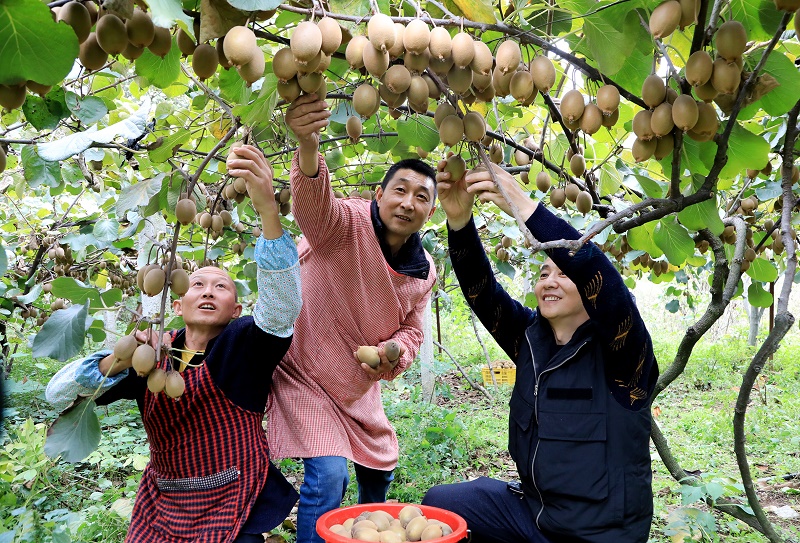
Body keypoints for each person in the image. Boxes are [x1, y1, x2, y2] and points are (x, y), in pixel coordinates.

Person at [45, 145, 302, 543]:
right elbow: (57, 393)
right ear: (177, 302)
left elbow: (282, 307)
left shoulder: (244, 345)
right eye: (198, 283)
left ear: (236, 310)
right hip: (166, 501)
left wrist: (268, 210)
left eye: (222, 287)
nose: (209, 291)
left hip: (235, 495)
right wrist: (120, 354)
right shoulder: (153, 354)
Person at [422, 161, 658, 543]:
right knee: (442, 505)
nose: (550, 280)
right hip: (534, 514)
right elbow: (482, 292)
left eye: (563, 273)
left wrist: (524, 206)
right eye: (544, 273)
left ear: (589, 290)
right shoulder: (531, 341)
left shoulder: (623, 353)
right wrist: (459, 220)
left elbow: (599, 274)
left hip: (599, 534)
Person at [268, 93, 437, 543]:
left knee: (379, 475)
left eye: (421, 197)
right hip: (304, 372)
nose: (407, 202)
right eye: (399, 190)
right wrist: (308, 146)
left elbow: (414, 330)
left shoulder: (425, 272)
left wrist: (395, 351)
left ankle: (369, 536)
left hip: (356, 385)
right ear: (379, 194)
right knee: (327, 478)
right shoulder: (345, 223)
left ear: (430, 211)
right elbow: (312, 209)